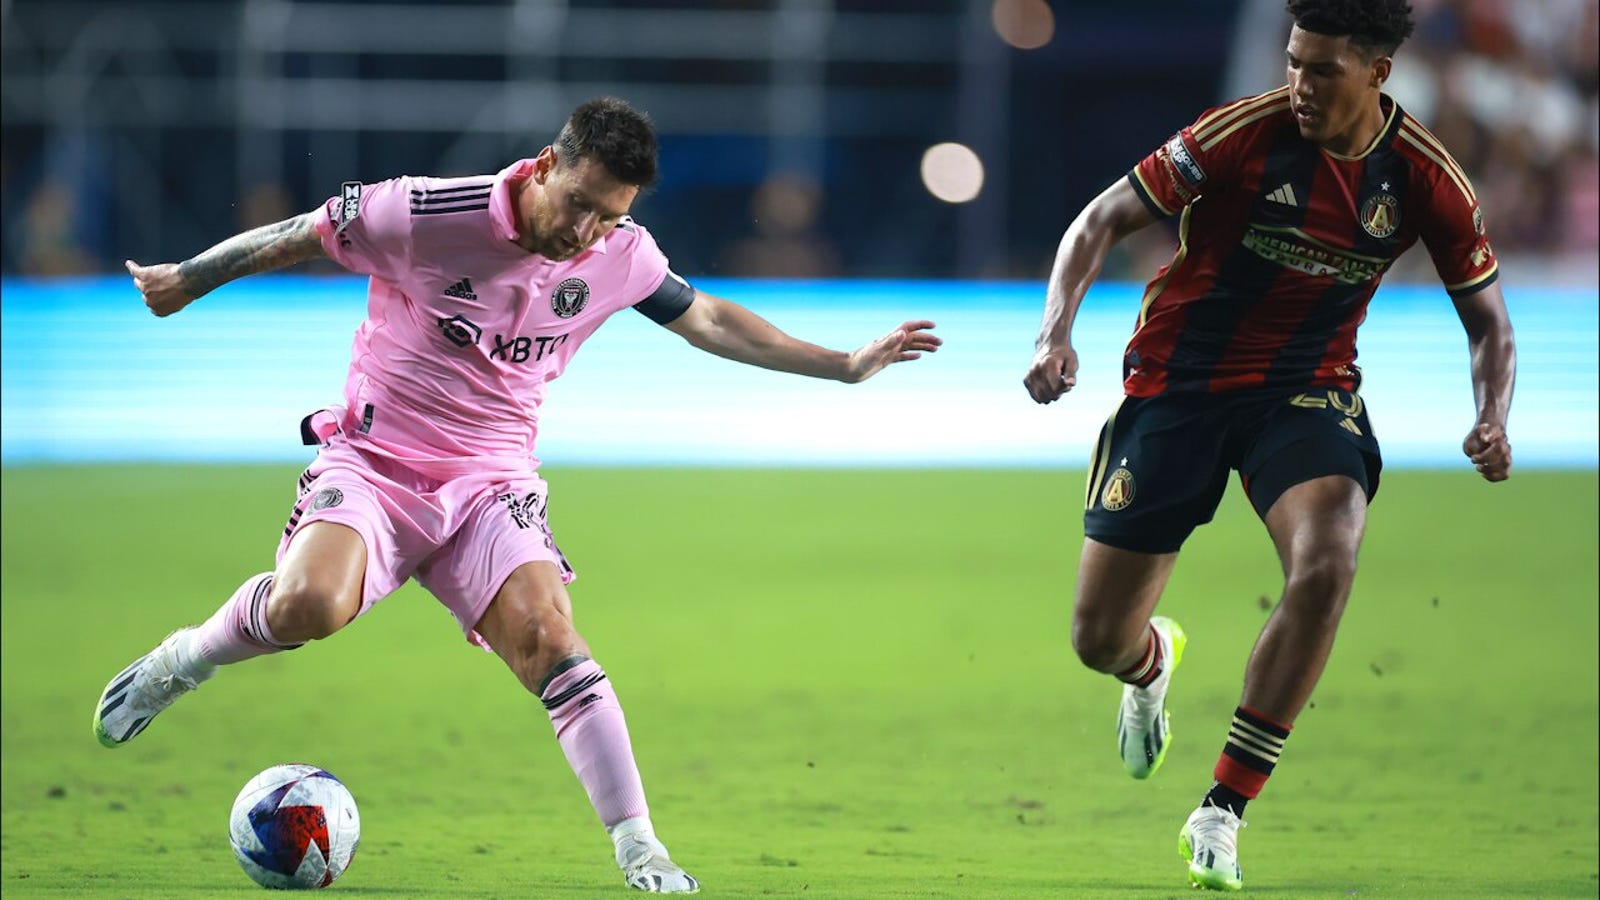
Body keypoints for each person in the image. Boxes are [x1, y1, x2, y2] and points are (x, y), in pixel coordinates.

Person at [94, 96, 941, 895]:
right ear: (544, 166)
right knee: (307, 605)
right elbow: (302, 234)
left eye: (609, 215)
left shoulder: (621, 254)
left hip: (492, 485)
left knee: (550, 641)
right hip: (378, 463)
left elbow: (709, 318)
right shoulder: (425, 213)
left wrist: (842, 364)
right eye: (578, 204)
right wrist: (190, 278)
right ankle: (184, 660)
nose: (587, 231)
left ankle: (640, 846)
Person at [1023, 1, 1513, 891]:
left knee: (1328, 560)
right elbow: (1096, 221)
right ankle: (1151, 664)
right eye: (1293, 62)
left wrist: (1492, 414)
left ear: (1378, 72)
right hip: (1178, 386)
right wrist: (1054, 333)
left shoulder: (1425, 177)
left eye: (1322, 69)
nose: (1299, 84)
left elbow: (1489, 323)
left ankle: (1222, 809)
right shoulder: (1238, 135)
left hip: (1306, 392)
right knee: (1098, 639)